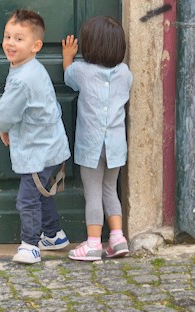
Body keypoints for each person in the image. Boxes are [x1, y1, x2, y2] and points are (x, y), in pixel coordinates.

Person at [0, 9, 71, 264]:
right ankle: (53, 235)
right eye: (7, 36)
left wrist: (1, 127)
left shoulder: (22, 79)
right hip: (49, 145)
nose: (10, 43)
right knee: (40, 192)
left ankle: (30, 245)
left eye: (18, 38)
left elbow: (5, 113)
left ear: (35, 45)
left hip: (39, 149)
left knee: (27, 199)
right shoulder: (30, 68)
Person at [62, 16, 133, 261]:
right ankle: (117, 238)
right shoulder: (124, 73)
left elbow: (68, 78)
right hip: (115, 146)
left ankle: (93, 243)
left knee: (92, 193)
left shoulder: (82, 70)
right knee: (109, 190)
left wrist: (68, 57)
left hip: (92, 146)